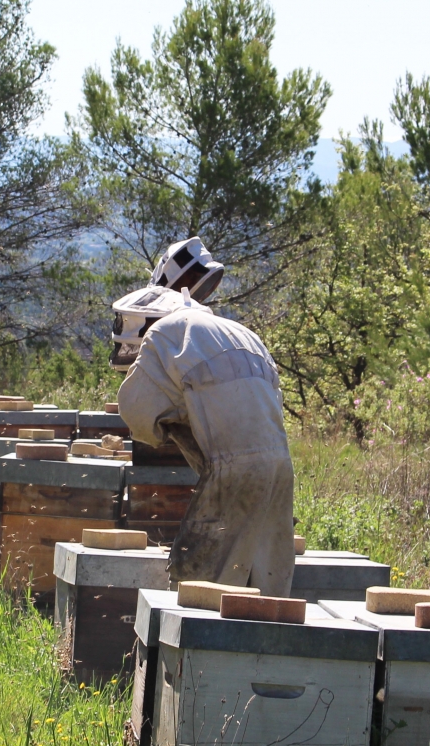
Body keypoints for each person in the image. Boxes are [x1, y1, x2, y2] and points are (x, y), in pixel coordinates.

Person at [109, 239, 295, 594]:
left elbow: (137, 414)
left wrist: (165, 431)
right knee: (264, 586)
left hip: (232, 472)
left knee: (199, 585)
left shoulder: (164, 334)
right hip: (281, 471)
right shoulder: (239, 333)